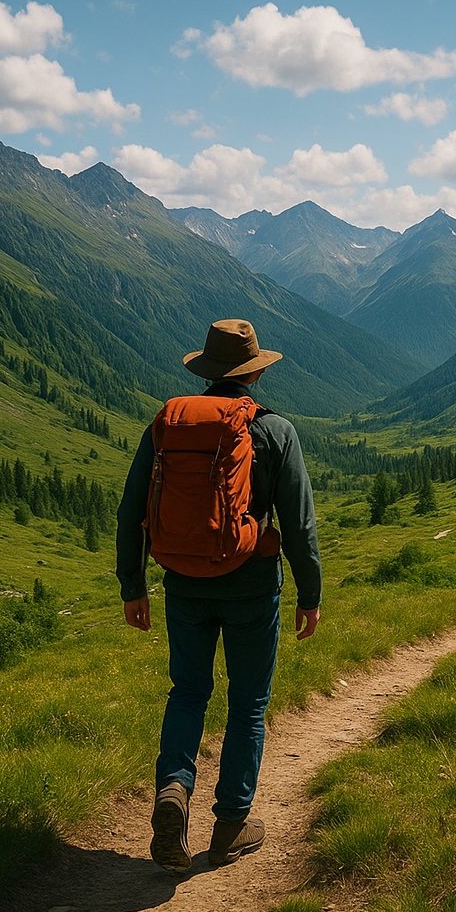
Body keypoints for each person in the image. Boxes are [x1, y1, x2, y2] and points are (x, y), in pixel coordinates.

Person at [116, 318, 322, 872]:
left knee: (187, 693)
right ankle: (230, 824)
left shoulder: (169, 424)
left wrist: (133, 586)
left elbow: (133, 507)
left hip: (183, 582)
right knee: (248, 705)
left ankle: (173, 793)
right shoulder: (276, 431)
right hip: (252, 588)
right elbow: (299, 527)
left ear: (205, 372)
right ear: (254, 372)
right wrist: (310, 594)